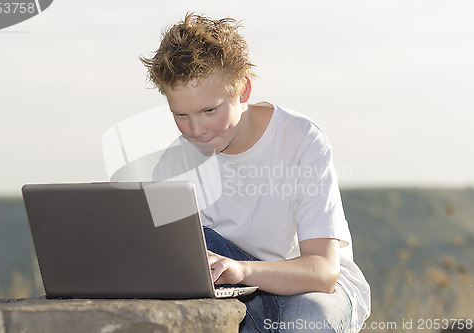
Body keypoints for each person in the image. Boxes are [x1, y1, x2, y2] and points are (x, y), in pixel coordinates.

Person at [140, 12, 371, 333]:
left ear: (243, 90)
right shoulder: (171, 164)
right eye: (181, 114)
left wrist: (241, 270)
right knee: (184, 244)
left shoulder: (300, 139)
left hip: (311, 288)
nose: (196, 130)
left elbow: (322, 271)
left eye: (210, 110)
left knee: (303, 326)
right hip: (237, 289)